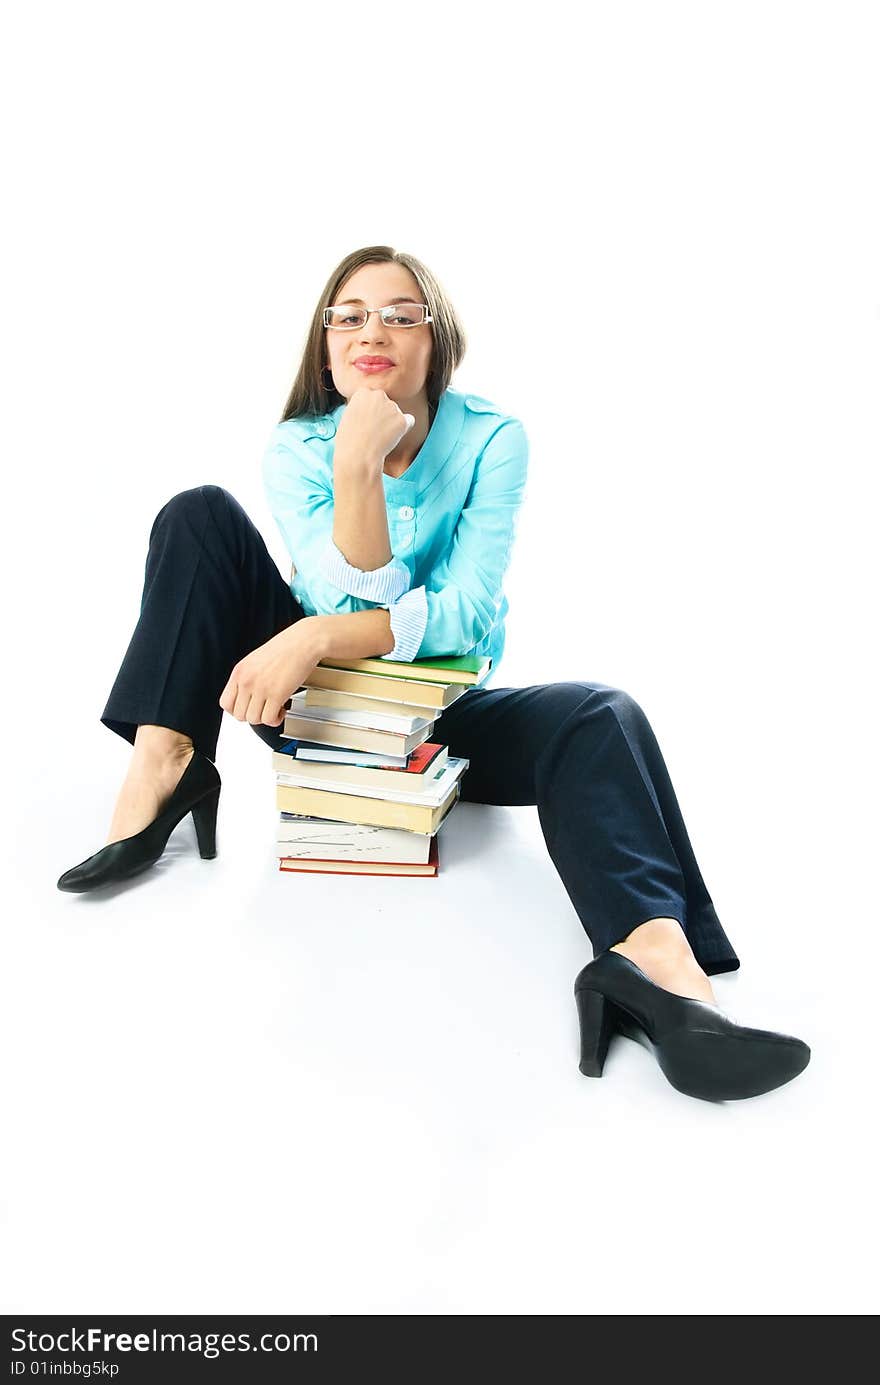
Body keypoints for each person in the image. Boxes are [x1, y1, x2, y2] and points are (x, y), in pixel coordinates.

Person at [56, 244, 810, 1103]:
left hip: (440, 721)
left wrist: (311, 636)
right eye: (349, 316)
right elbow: (345, 585)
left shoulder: (493, 438)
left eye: (399, 314)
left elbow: (467, 614)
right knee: (198, 514)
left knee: (602, 711)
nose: (370, 331)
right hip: (306, 706)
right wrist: (353, 466)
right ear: (325, 340)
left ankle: (650, 960)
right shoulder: (298, 446)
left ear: (436, 337)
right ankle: (166, 764)